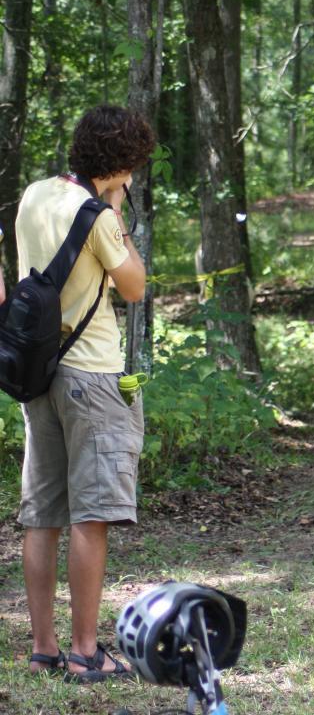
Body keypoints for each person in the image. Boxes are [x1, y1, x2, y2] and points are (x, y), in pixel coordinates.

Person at [17, 105, 154, 682]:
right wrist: (117, 212)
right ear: (121, 163)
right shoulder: (98, 214)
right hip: (92, 377)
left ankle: (44, 647)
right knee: (90, 514)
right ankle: (85, 652)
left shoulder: (35, 195)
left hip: (39, 372)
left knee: (42, 514)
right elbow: (135, 287)